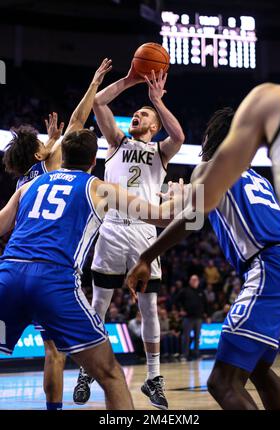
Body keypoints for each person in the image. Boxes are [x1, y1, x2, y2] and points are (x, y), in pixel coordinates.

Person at [125, 106, 280, 410]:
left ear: (210, 137)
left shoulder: (211, 166)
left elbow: (191, 219)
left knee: (221, 382)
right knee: (257, 367)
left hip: (270, 268)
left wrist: (146, 256)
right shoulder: (258, 178)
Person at [0, 123, 176, 410]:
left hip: (8, 275)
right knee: (110, 374)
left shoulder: (30, 184)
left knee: (51, 352)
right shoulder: (100, 188)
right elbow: (160, 218)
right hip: (53, 281)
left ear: (62, 155)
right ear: (95, 162)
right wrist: (181, 201)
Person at [2, 58, 113, 410]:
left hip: (15, 266)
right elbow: (79, 123)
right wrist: (93, 82)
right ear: (39, 152)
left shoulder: (23, 182)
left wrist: (47, 142)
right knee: (55, 352)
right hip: (50, 269)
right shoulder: (52, 167)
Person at [74, 65, 185, 410]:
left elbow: (179, 136)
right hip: (111, 228)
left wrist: (157, 102)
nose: (136, 115)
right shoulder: (116, 141)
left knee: (148, 307)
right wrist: (130, 80)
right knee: (99, 306)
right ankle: (85, 371)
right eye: (136, 113)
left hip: (143, 232)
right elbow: (99, 105)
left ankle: (153, 379)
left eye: (143, 115)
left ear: (154, 127)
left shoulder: (162, 152)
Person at [175, 274, 207, 361]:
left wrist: (206, 315)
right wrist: (180, 310)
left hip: (199, 318)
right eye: (193, 280)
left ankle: (196, 354)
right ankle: (185, 355)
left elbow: (205, 304)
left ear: (198, 281)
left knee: (197, 337)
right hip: (188, 318)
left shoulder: (201, 291)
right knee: (186, 337)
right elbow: (176, 300)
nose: (194, 281)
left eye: (196, 280)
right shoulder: (185, 291)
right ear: (189, 281)